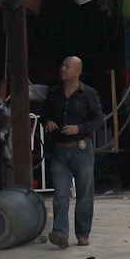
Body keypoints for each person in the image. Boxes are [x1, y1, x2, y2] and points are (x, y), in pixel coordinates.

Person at [42, 56, 105, 249]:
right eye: (62, 66)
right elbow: (44, 114)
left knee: (84, 193)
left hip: (81, 150)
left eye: (68, 67)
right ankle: (60, 232)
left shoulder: (89, 94)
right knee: (60, 195)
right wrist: (48, 122)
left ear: (78, 71)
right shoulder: (53, 93)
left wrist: (79, 128)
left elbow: (98, 120)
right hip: (60, 151)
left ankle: (83, 233)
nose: (63, 69)